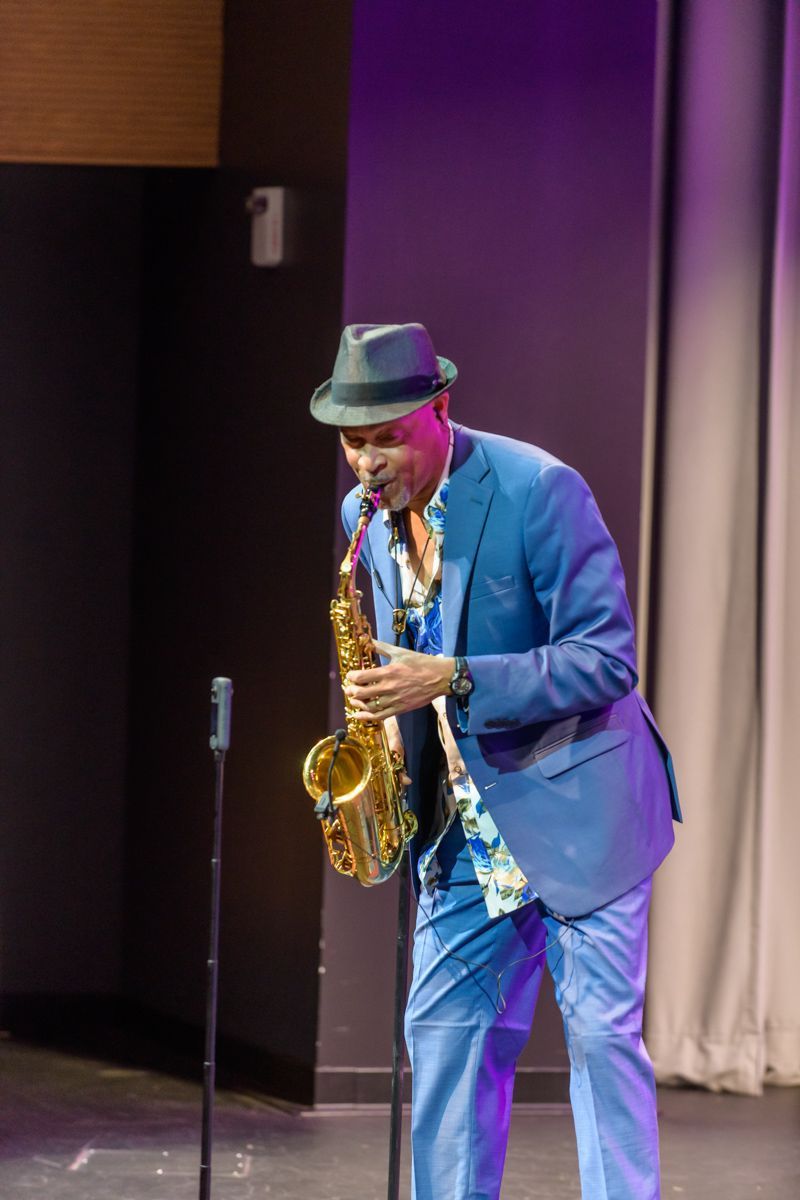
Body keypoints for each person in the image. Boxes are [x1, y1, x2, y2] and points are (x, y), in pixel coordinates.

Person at [310, 322, 681, 1200]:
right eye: (353, 443)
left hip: (581, 812)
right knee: (442, 1041)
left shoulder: (539, 489)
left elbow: (606, 661)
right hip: (465, 830)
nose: (367, 464)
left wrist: (455, 677)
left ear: (440, 409)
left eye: (387, 438)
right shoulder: (362, 519)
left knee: (600, 1043)